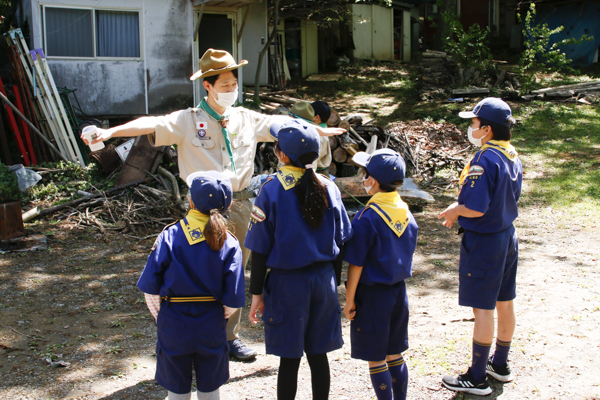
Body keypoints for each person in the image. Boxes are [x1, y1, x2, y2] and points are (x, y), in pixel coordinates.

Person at [82, 48, 344, 361]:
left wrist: (316, 130)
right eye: (225, 85)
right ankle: (200, 336)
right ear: (207, 86)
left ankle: (229, 338)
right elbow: (150, 124)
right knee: (201, 272)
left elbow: (282, 125)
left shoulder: (246, 119)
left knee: (236, 272)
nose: (231, 90)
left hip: (243, 205)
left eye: (234, 84)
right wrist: (110, 132)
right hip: (204, 212)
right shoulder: (187, 121)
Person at [245, 119, 353, 400]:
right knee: (319, 356)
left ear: (281, 154)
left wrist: (256, 293)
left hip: (287, 285)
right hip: (323, 281)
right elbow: (341, 242)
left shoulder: (271, 189)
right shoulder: (329, 186)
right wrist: (333, 283)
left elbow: (260, 250)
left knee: (289, 360)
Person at [439, 98, 522, 395]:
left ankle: (476, 377)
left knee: (483, 309)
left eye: (473, 123)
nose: (470, 128)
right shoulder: (511, 154)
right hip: (507, 236)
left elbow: (476, 208)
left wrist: (455, 210)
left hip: (486, 242)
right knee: (505, 301)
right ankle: (499, 364)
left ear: (486, 129)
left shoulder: (485, 159)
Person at [137, 171, 245, 400]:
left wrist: (162, 315)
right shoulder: (230, 242)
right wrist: (219, 315)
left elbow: (151, 288)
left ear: (190, 201)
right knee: (210, 390)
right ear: (229, 204)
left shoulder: (169, 235)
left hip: (174, 321)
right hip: (212, 321)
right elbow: (232, 300)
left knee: (176, 391)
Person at [343, 149, 419, 400]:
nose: (362, 177)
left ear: (372, 180)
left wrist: (350, 299)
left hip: (373, 296)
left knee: (376, 359)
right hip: (399, 293)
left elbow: (356, 264)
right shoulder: (406, 212)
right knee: (394, 354)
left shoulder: (367, 218)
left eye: (364, 173)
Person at [287, 101, 332, 171]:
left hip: (315, 173)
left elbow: (312, 163)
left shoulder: (316, 136)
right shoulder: (320, 129)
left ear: (316, 117)